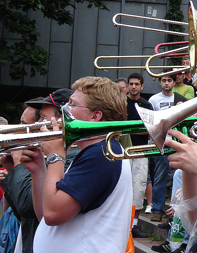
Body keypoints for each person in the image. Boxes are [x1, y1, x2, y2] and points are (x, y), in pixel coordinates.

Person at [20, 76, 132, 253]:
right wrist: (38, 170)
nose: (65, 109)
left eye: (72, 104)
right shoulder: (94, 152)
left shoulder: (101, 154)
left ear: (95, 116)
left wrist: (55, 156)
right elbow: (45, 215)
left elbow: (53, 214)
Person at [1, 93, 80, 253]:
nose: (38, 125)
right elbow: (21, 213)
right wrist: (12, 169)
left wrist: (18, 165)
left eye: (43, 118)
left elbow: (27, 206)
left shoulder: (71, 158)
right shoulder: (52, 156)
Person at [148, 74, 187, 222]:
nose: (166, 83)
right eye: (163, 80)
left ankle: (175, 213)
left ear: (173, 82)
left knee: (179, 176)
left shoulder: (179, 98)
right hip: (161, 142)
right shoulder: (154, 100)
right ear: (159, 82)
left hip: (177, 140)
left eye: (169, 80)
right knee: (160, 177)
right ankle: (157, 210)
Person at [126, 72, 153, 238]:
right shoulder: (121, 103)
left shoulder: (147, 105)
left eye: (136, 84)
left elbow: (151, 130)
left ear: (142, 86)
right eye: (131, 84)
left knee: (138, 188)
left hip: (140, 150)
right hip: (122, 151)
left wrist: (129, 129)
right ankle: (122, 224)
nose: (133, 87)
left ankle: (133, 226)